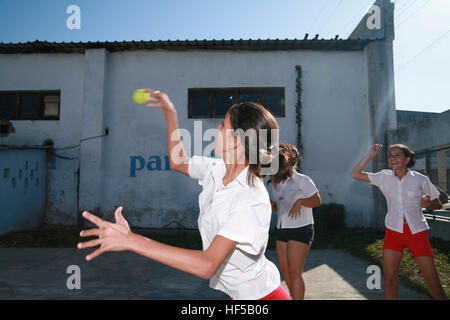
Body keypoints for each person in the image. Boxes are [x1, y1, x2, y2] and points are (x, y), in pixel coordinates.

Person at [77, 89, 291, 300]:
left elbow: (207, 265)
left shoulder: (250, 199)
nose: (217, 128)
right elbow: (178, 161)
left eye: (222, 125)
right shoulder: (217, 170)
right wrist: (170, 113)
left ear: (236, 140)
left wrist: (131, 240)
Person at [350, 143, 448, 300]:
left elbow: (441, 201)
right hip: (393, 233)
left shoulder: (420, 179)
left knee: (433, 284)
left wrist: (429, 204)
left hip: (417, 233)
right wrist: (371, 154)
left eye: (397, 155)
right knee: (390, 280)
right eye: (390, 155)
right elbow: (355, 173)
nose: (392, 158)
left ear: (407, 159)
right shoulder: (384, 177)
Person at [266, 144, 321, 299]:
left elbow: (317, 200)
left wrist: (301, 201)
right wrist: (271, 205)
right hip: (283, 228)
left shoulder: (302, 180)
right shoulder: (273, 184)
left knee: (294, 271)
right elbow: (279, 207)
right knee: (284, 269)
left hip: (301, 228)